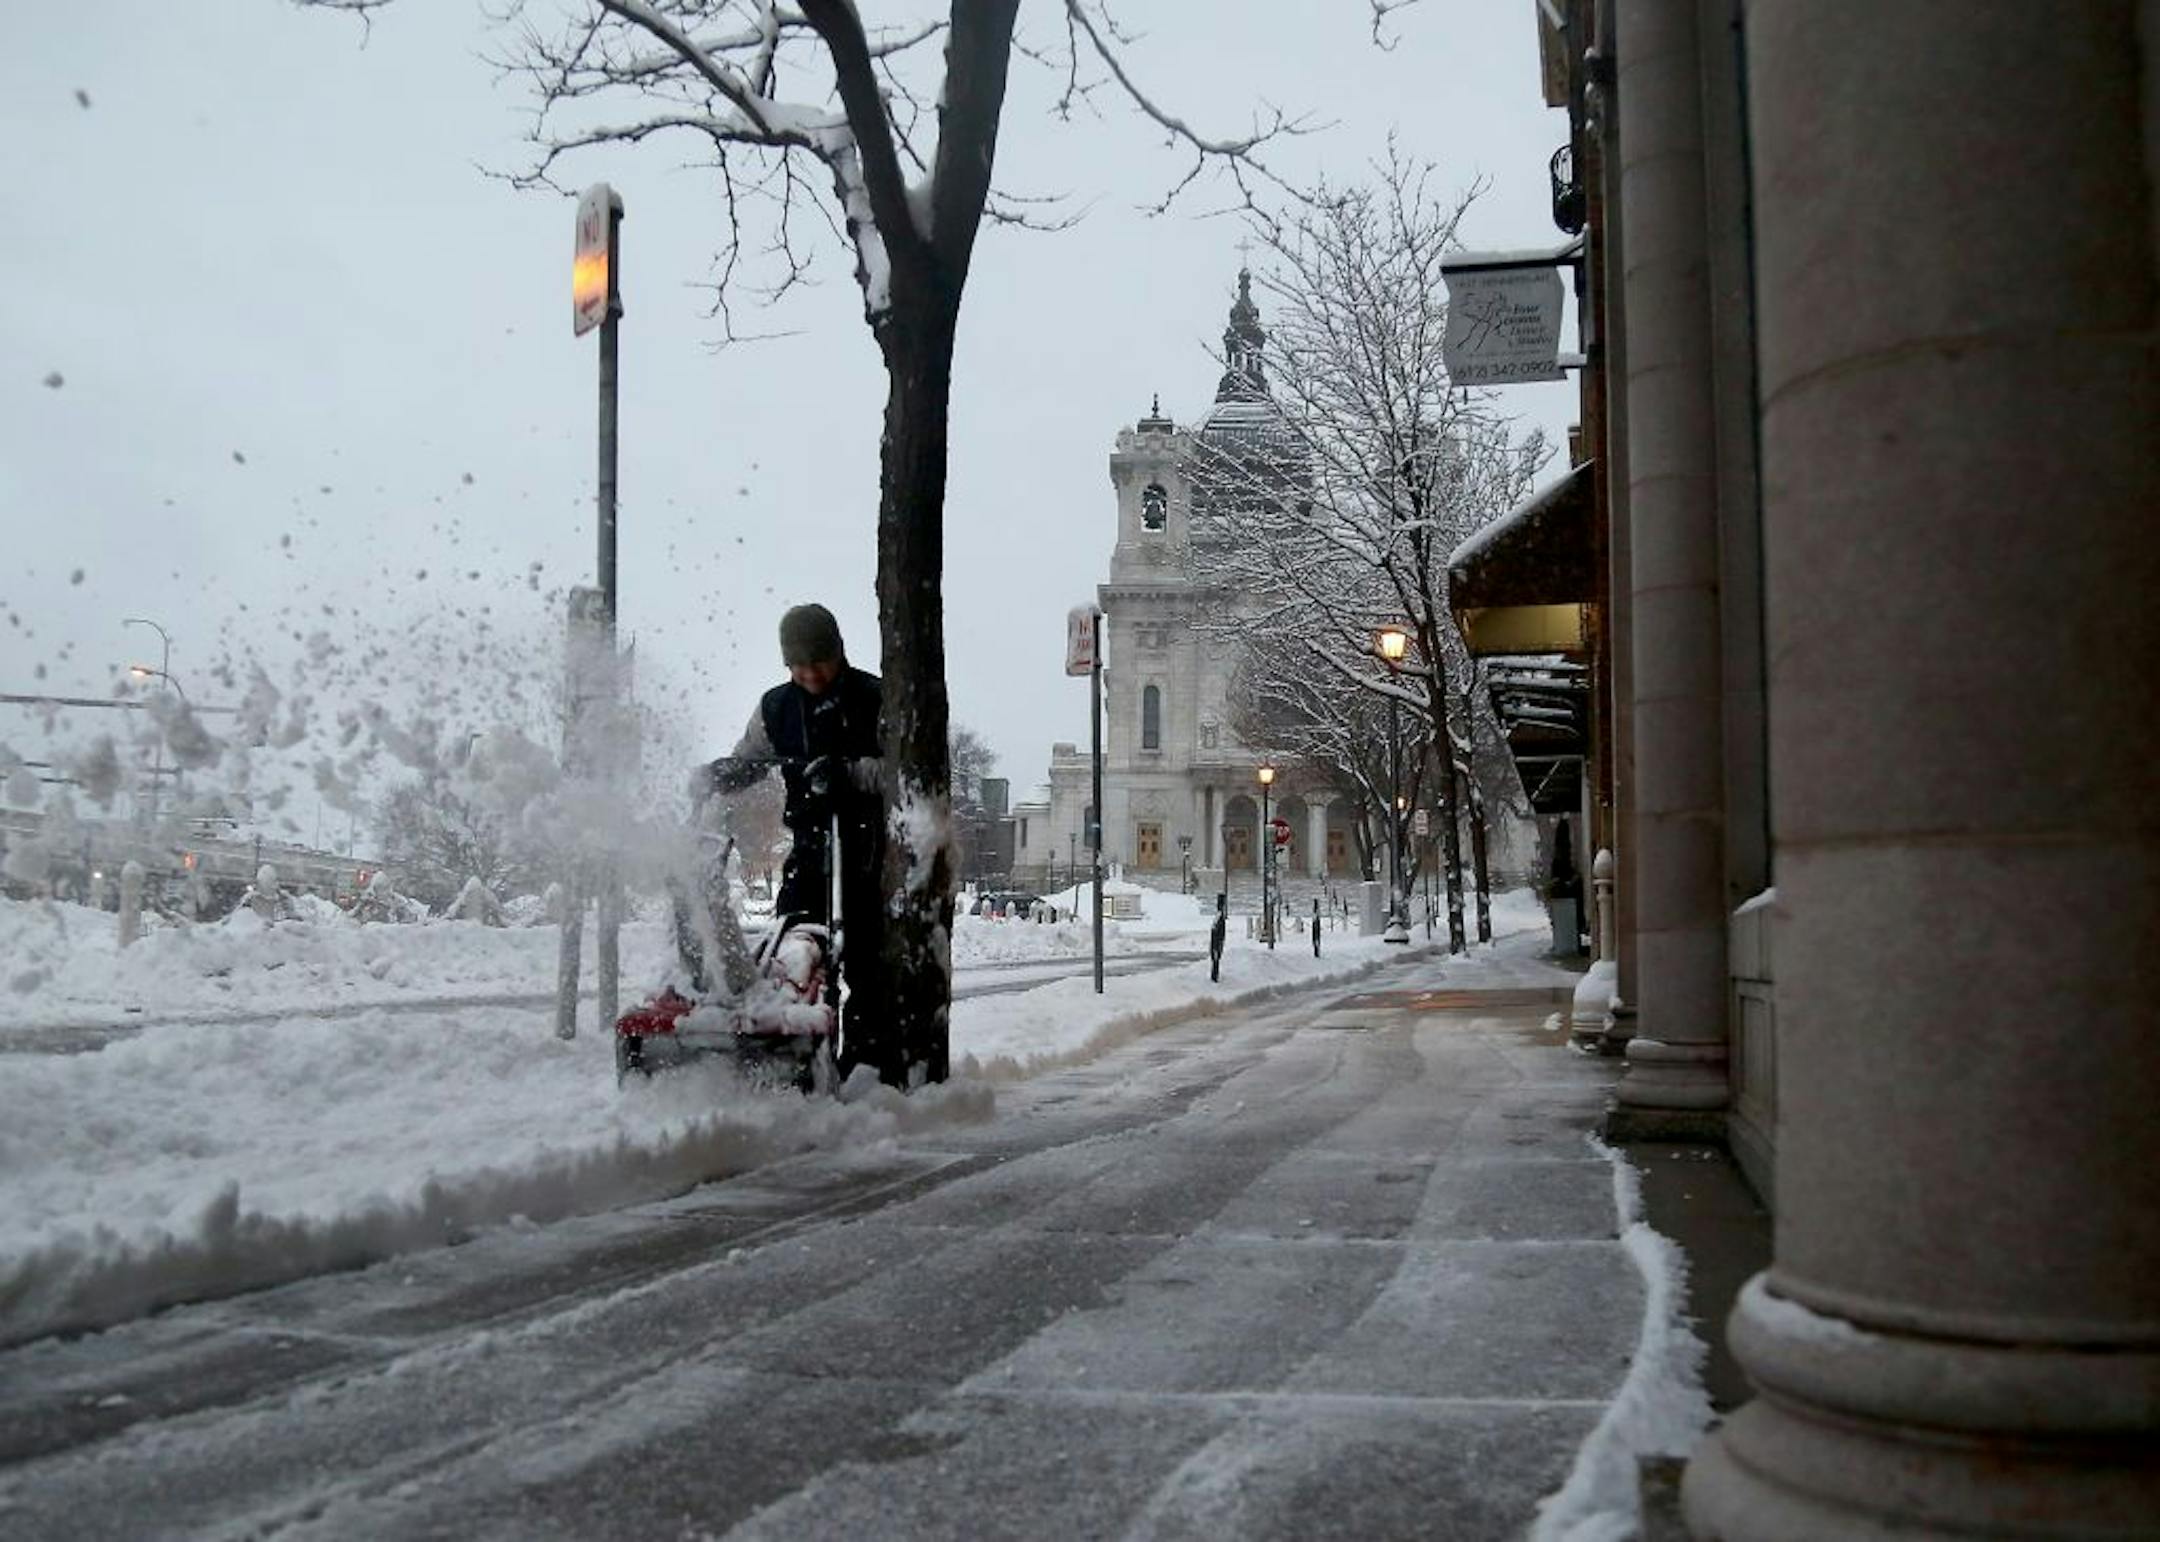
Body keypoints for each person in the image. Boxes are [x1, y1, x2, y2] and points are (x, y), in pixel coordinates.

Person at [692, 603, 890, 1079]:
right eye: (798, 666)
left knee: (866, 960)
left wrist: (852, 774)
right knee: (796, 948)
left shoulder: (874, 697)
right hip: (810, 844)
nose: (809, 673)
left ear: (838, 653)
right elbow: (751, 759)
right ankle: (795, 1054)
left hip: (867, 849)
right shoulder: (776, 708)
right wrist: (722, 775)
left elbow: (905, 769)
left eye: (817, 662)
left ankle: (862, 1066)